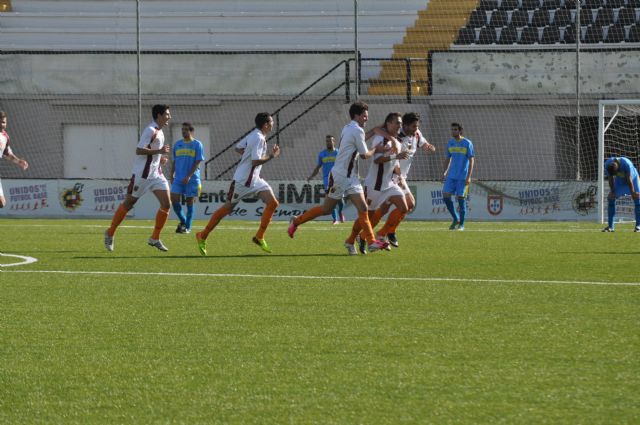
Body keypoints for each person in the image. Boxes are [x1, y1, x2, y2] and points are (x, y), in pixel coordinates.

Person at [287, 101, 390, 255]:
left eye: (367, 116)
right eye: (364, 116)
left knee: (362, 208)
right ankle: (297, 221)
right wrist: (377, 149)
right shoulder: (356, 130)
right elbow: (364, 155)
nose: (366, 119)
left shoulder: (349, 127)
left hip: (350, 177)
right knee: (326, 209)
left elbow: (360, 139)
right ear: (356, 115)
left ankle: (369, 241)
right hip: (340, 176)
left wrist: (375, 130)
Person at [195, 112, 280, 255]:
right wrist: (271, 155)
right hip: (242, 181)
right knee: (227, 208)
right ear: (265, 125)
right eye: (271, 122)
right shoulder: (258, 138)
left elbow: (238, 148)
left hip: (255, 179)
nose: (273, 124)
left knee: (273, 203)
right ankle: (202, 235)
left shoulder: (254, 135)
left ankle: (259, 236)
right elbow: (255, 161)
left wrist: (247, 157)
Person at [104, 104, 172, 252]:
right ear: (159, 115)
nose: (169, 116)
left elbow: (152, 153)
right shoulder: (150, 130)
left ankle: (154, 238)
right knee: (128, 204)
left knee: (166, 204)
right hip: (142, 175)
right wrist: (159, 150)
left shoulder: (160, 132)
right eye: (167, 114)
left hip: (156, 174)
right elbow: (139, 150)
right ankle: (110, 232)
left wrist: (159, 158)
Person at [369, 112, 436, 248]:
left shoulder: (416, 134)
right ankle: (379, 233)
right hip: (393, 176)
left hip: (401, 176)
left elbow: (423, 143)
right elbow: (376, 131)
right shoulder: (395, 138)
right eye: (412, 126)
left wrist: (428, 146)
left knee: (386, 209)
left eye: (417, 126)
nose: (415, 129)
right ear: (404, 126)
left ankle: (378, 233)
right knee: (407, 204)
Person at [346, 112, 409, 254]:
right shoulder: (380, 139)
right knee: (367, 216)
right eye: (397, 123)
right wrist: (395, 156)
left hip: (389, 184)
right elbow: (376, 160)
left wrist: (400, 178)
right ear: (389, 124)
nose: (400, 125)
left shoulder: (397, 141)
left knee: (404, 206)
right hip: (374, 185)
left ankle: (381, 234)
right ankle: (352, 239)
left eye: (400, 123)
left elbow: (395, 164)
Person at [170, 122, 204, 234]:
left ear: (191, 131)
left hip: (192, 179)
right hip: (178, 179)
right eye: (182, 129)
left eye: (186, 129)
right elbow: (174, 161)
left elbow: (198, 162)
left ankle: (188, 228)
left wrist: (189, 176)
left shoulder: (197, 144)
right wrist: (171, 174)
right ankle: (183, 221)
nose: (183, 131)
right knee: (174, 199)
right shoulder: (177, 144)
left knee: (190, 202)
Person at [442, 122, 474, 231]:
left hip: (462, 177)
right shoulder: (450, 143)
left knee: (461, 199)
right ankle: (456, 218)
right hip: (451, 176)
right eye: (452, 129)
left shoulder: (467, 143)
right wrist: (444, 171)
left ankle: (462, 225)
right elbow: (448, 158)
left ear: (460, 131)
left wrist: (469, 176)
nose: (453, 131)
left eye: (455, 129)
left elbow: (471, 160)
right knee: (445, 196)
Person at [307, 135, 345, 224]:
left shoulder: (339, 153)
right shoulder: (322, 154)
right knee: (331, 198)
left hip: (338, 178)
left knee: (341, 201)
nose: (328, 142)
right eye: (327, 141)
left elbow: (344, 165)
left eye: (330, 141)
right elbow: (318, 167)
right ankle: (335, 219)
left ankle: (340, 212)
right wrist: (311, 176)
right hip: (327, 180)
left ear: (334, 142)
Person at [602, 156, 640, 232]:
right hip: (620, 182)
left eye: (615, 173)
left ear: (618, 168)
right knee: (611, 198)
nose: (615, 175)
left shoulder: (626, 163)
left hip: (633, 179)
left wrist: (633, 193)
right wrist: (612, 191)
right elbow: (610, 179)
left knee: (637, 197)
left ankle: (638, 226)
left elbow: (629, 179)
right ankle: (610, 227)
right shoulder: (607, 164)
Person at [0, 111, 29, 208]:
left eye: (4, 122)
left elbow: (7, 153)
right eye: (0, 121)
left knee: (2, 203)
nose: (2, 124)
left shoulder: (5, 137)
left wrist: (19, 161)